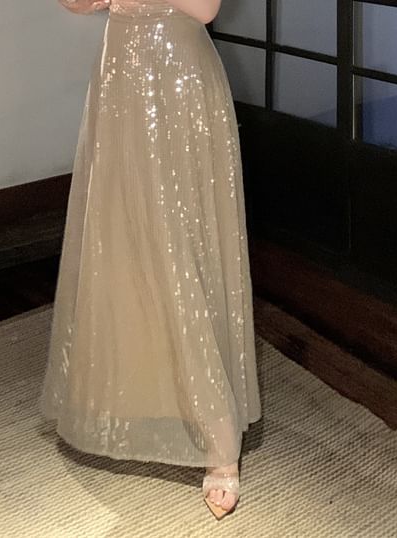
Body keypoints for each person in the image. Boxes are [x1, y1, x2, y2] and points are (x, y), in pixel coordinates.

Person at [39, 0, 262, 520]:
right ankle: (138, 404)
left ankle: (218, 439)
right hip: (119, 76)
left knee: (182, 249)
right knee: (121, 245)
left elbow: (206, 8)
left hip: (180, 81)